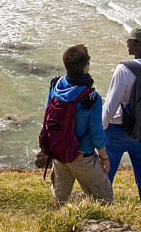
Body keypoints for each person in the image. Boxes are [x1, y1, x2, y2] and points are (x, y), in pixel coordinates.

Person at [102, 25, 141, 208]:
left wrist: (101, 130)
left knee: (106, 170)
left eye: (130, 40)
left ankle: (101, 204)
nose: (127, 42)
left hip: (118, 131)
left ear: (139, 45)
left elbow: (110, 108)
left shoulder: (123, 69)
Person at [46, 44, 113, 207]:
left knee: (60, 198)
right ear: (85, 67)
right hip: (82, 156)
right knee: (104, 197)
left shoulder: (56, 85)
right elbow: (96, 132)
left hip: (59, 152)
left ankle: (60, 223)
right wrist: (104, 158)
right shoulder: (91, 97)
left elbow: (48, 116)